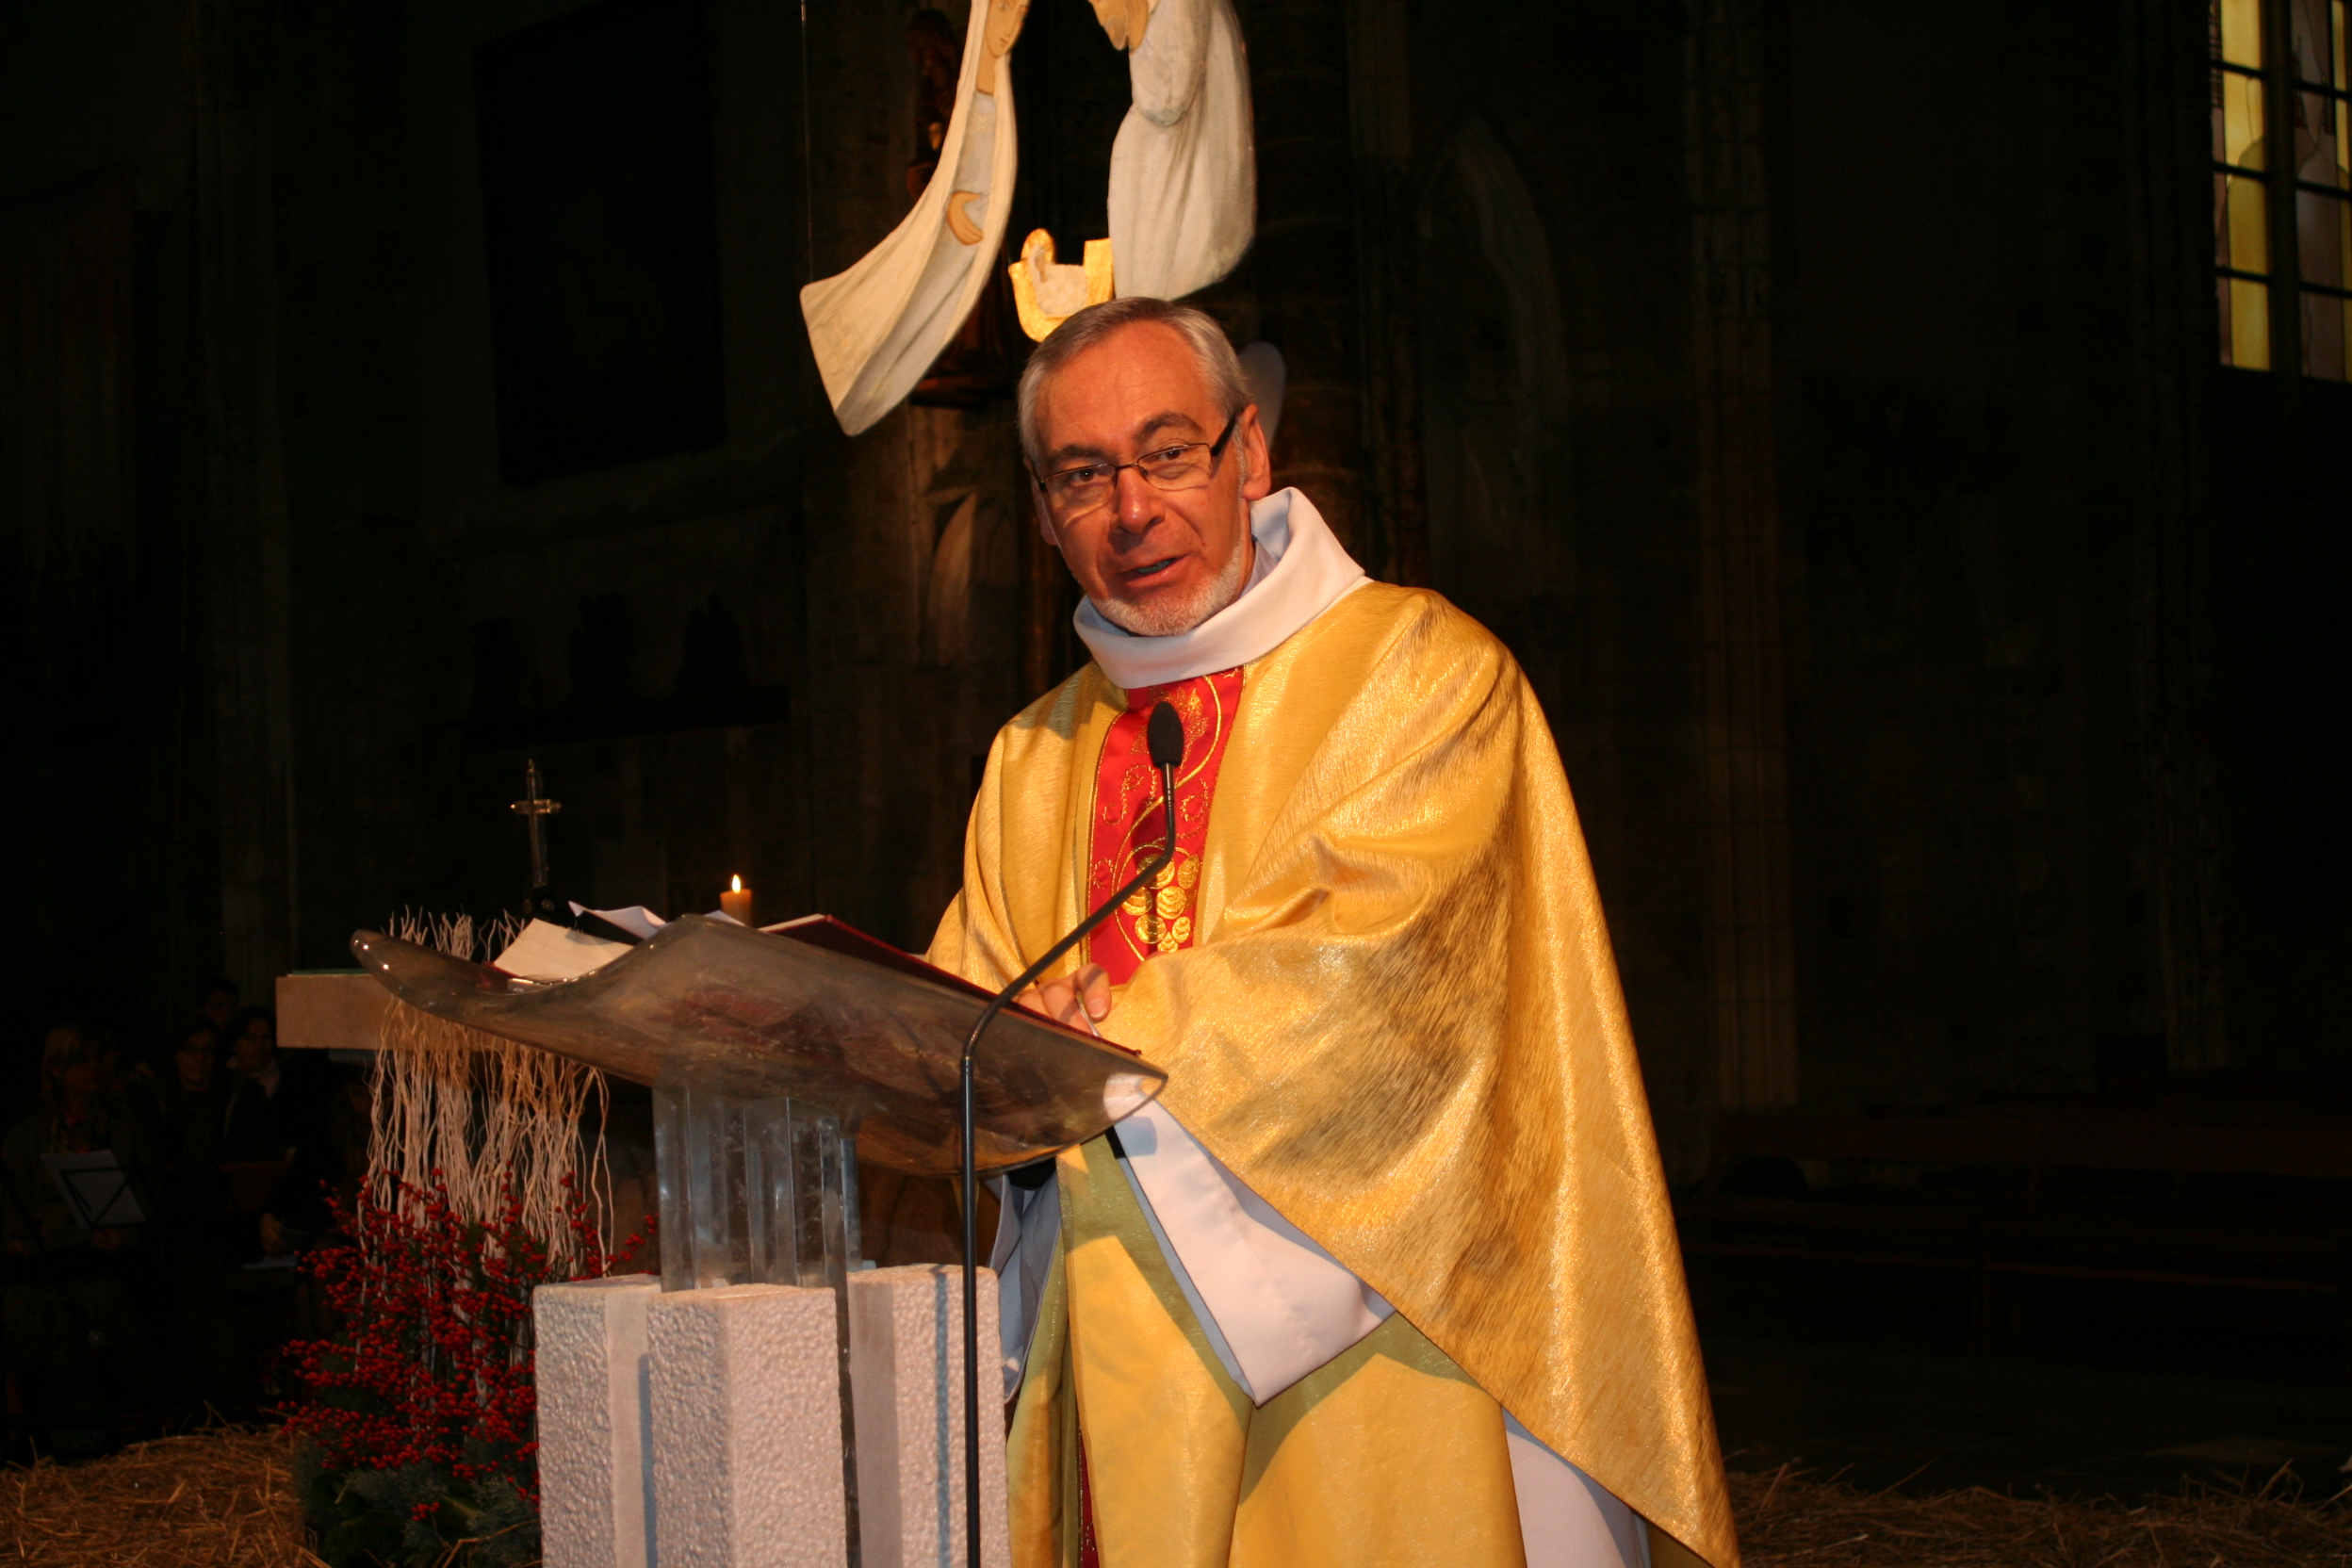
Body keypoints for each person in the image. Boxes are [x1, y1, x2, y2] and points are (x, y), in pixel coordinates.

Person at [925, 297, 1736, 1568]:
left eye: (1168, 453)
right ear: (1043, 513)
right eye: (1084, 476)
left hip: (1397, 1355)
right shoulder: (1033, 758)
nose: (1131, 510)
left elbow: (1395, 992)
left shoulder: (1425, 675)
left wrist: (1107, 1038)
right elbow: (957, 1027)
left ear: (1249, 455)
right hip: (1113, 1355)